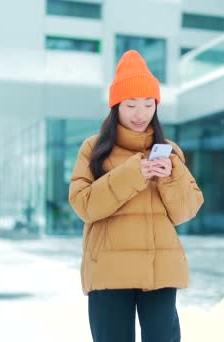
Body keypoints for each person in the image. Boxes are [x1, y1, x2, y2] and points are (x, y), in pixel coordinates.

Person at [68, 50, 204, 342]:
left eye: (148, 104)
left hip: (160, 271)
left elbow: (186, 211)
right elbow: (83, 205)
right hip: (109, 270)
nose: (141, 114)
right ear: (116, 106)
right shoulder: (93, 150)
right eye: (131, 105)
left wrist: (171, 176)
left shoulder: (170, 151)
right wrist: (133, 174)